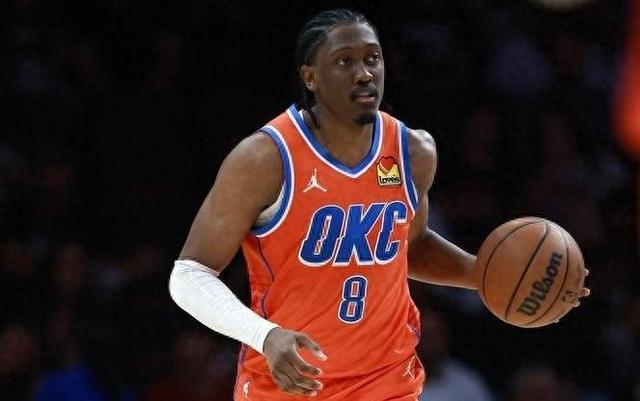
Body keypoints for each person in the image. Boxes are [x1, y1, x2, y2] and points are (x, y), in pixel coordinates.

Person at [169, 9, 589, 401]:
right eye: (345, 61)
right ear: (310, 77)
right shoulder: (265, 158)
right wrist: (265, 335)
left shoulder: (413, 151)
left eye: (373, 58)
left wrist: (491, 275)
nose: (364, 73)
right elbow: (189, 274)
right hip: (290, 382)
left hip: (386, 380)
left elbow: (409, 246)